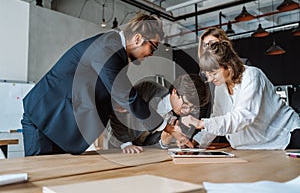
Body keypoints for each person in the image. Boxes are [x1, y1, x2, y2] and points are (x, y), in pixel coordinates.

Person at [21, 13, 192, 156]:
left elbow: (109, 91)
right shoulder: (108, 48)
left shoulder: (114, 49)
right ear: (138, 39)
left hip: (60, 124)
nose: (151, 54)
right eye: (153, 47)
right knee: (39, 182)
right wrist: (168, 128)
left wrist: (115, 103)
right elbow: (128, 96)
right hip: (44, 119)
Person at [181, 27, 300, 150]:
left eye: (214, 73)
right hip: (254, 146)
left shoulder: (252, 75)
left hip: (286, 136)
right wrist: (195, 142)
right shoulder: (220, 87)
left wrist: (201, 123)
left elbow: (243, 117)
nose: (210, 79)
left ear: (228, 66)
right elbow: (217, 118)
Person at [108, 74, 210, 153]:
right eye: (186, 104)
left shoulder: (177, 120)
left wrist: (164, 143)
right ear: (175, 92)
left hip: (141, 153)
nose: (187, 111)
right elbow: (116, 112)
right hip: (118, 146)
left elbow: (151, 144)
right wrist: (126, 143)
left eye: (193, 108)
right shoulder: (147, 89)